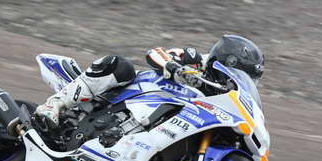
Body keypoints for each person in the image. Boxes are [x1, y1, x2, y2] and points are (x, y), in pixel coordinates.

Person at [34, 34, 265, 128]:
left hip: (163, 122)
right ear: (228, 61)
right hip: (130, 96)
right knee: (121, 66)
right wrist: (174, 67)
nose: (244, 80)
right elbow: (156, 53)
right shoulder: (196, 60)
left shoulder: (224, 95)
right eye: (243, 73)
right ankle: (54, 105)